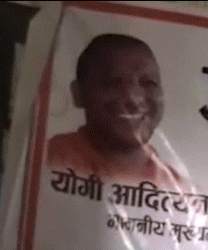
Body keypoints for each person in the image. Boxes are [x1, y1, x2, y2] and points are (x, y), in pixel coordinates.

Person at [46, 33, 185, 186]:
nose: (134, 99)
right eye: (113, 83)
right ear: (78, 93)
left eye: (148, 83)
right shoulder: (51, 159)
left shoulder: (178, 188)